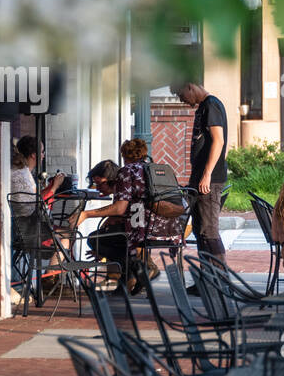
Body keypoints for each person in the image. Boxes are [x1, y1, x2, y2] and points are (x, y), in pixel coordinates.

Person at [68, 138, 180, 296]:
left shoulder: (127, 171)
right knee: (112, 236)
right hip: (169, 228)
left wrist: (86, 214)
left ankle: (140, 271)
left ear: (124, 155)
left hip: (143, 229)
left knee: (95, 239)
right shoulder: (156, 169)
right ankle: (133, 276)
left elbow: (120, 208)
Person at [171, 82, 229, 273]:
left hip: (208, 181)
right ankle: (206, 279)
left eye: (181, 95)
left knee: (209, 231)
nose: (182, 100)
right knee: (199, 230)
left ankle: (220, 279)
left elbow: (219, 141)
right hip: (199, 179)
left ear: (190, 86)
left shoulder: (211, 105)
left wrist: (207, 174)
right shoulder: (204, 107)